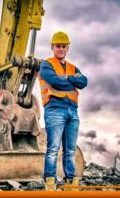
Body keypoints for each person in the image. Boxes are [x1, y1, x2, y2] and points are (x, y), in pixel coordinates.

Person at [38, 31, 88, 191]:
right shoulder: (46, 65)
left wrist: (68, 79)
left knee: (70, 150)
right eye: (58, 46)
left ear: (68, 48)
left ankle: (71, 183)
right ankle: (50, 183)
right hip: (54, 109)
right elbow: (54, 82)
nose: (61, 49)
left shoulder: (73, 67)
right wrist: (72, 81)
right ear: (52, 47)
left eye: (64, 46)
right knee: (53, 148)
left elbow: (84, 81)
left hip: (72, 111)